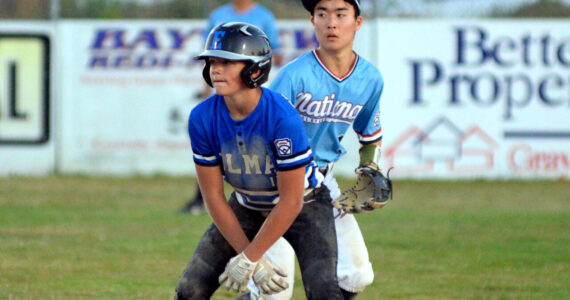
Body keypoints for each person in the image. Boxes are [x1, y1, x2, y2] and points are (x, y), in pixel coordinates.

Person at [174, 22, 343, 300]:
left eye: (227, 62)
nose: (216, 69)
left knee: (324, 292)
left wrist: (250, 258)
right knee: (189, 290)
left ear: (254, 69)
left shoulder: (281, 117)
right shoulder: (202, 117)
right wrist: (248, 256)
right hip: (247, 204)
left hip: (306, 204)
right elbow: (214, 197)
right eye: (212, 61)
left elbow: (291, 201)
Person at [246, 0, 385, 299]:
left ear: (357, 22)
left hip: (323, 183)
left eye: (340, 14)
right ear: (313, 21)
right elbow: (260, 132)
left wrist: (370, 168)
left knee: (357, 274)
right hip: (275, 186)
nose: (331, 22)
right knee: (273, 291)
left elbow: (370, 134)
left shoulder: (370, 79)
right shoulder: (294, 75)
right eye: (322, 14)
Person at [179, 0, 283, 215]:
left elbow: (275, 53)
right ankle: (203, 199)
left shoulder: (264, 16)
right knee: (217, 150)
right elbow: (211, 57)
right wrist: (208, 89)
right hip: (226, 92)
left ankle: (272, 197)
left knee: (260, 150)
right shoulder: (218, 14)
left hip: (253, 92)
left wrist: (247, 60)